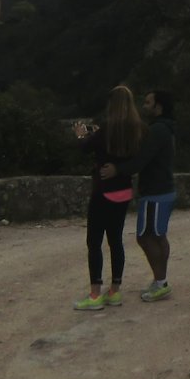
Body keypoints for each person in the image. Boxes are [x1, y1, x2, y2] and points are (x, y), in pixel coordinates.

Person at [70, 84, 146, 311]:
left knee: (94, 241)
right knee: (115, 240)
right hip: (124, 192)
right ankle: (115, 291)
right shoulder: (137, 130)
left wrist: (81, 134)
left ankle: (95, 294)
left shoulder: (107, 129)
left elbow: (85, 147)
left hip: (103, 191)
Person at [101, 87, 177, 302]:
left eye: (148, 102)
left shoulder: (158, 131)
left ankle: (160, 283)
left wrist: (117, 169)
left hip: (155, 193)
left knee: (145, 237)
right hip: (165, 191)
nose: (144, 106)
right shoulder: (167, 128)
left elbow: (140, 160)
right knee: (158, 236)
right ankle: (161, 281)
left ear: (158, 106)